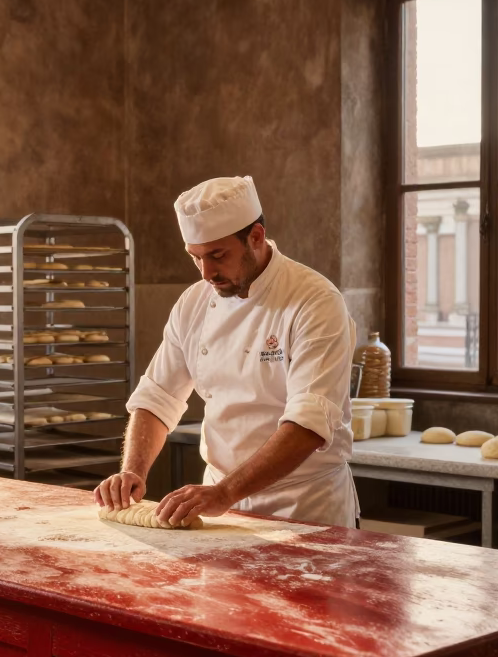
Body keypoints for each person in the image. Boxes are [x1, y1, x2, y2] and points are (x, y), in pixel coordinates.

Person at [94, 175, 358, 527]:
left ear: (256, 237)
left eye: (218, 255)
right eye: (196, 258)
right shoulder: (194, 304)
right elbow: (157, 397)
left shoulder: (314, 302)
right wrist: (132, 470)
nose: (206, 273)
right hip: (218, 508)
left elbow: (307, 425)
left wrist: (226, 493)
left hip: (304, 510)